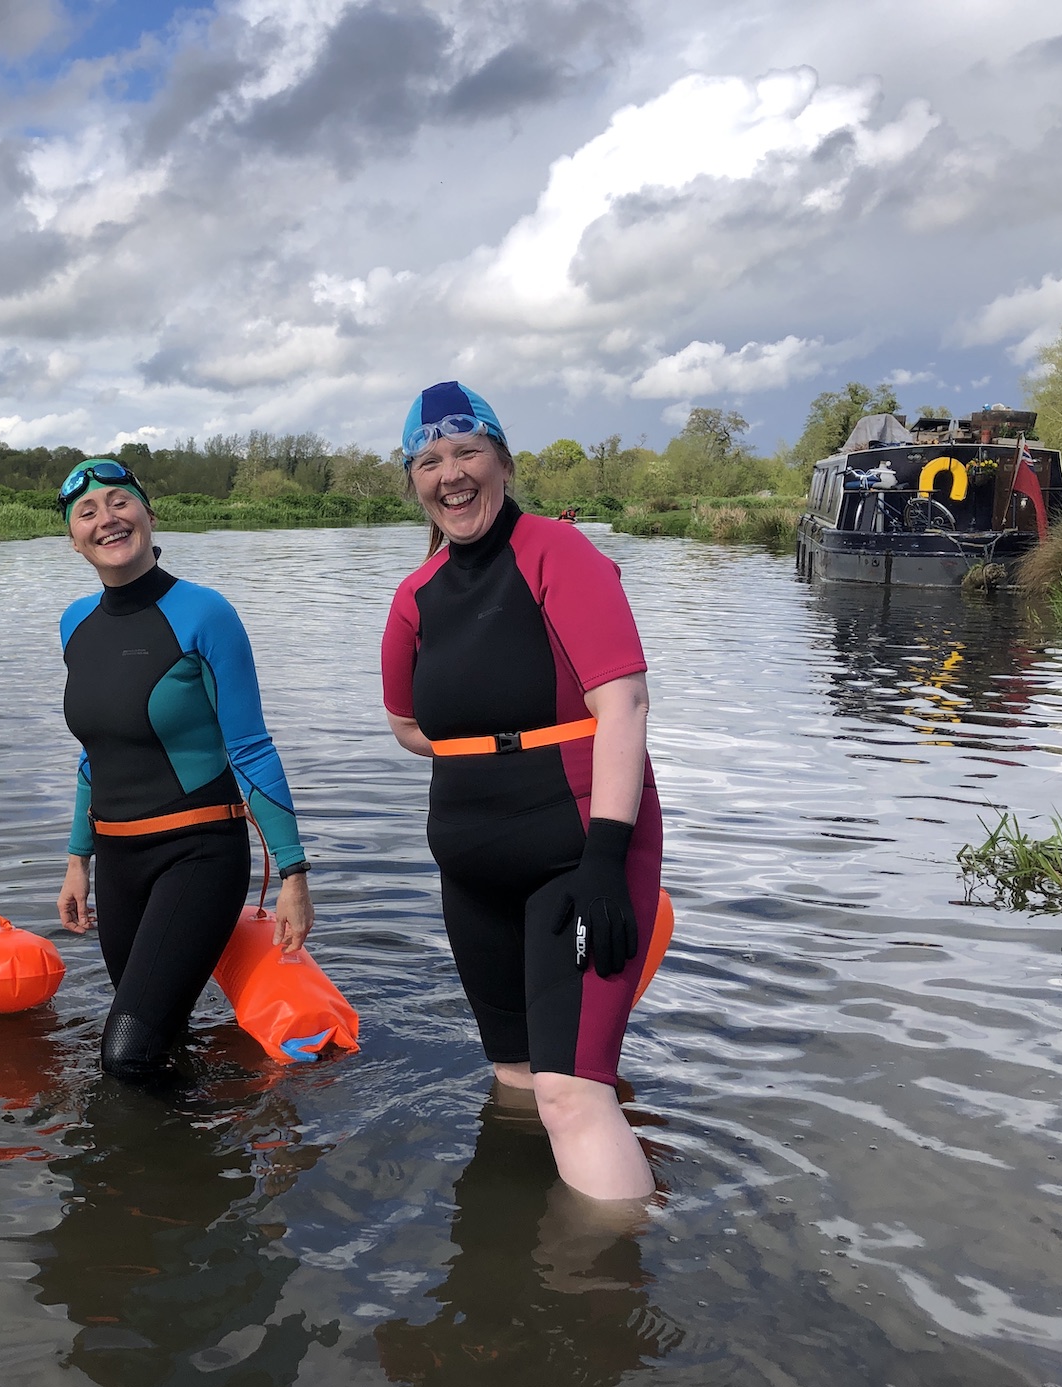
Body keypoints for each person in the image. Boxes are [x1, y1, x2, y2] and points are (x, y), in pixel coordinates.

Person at [380, 382, 663, 1201]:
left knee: (570, 1090)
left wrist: (605, 857)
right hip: (473, 868)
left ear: (503, 460)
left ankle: (612, 1297)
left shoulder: (558, 552)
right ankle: (513, 1268)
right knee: (513, 1078)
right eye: (429, 459)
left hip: (577, 853)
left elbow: (624, 703)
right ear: (415, 483)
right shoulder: (415, 597)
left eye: (467, 450)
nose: (451, 473)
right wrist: (490, 759)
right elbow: (404, 724)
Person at [53, 458, 314, 1077]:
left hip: (198, 853)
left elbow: (249, 745)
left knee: (125, 1053)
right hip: (120, 862)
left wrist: (294, 874)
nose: (106, 519)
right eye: (87, 512)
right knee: (157, 1038)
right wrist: (76, 861)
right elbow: (96, 753)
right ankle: (206, 1141)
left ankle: (179, 1162)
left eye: (120, 502)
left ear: (149, 514)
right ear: (73, 538)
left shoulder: (205, 612)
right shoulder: (74, 625)